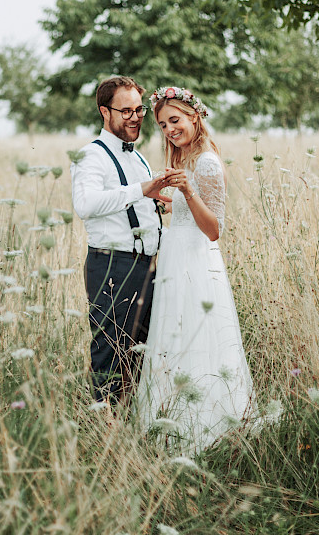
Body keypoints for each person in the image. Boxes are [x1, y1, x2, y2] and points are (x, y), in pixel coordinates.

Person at [136, 86, 257, 451]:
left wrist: (187, 193)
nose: (170, 129)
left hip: (197, 262)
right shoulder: (185, 158)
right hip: (176, 257)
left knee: (198, 337)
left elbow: (213, 229)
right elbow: (191, 216)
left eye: (175, 120)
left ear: (194, 117)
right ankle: (170, 419)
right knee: (175, 335)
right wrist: (170, 202)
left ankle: (206, 425)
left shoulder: (205, 161)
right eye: (162, 124)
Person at [71, 76, 176, 407]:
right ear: (105, 111)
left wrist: (158, 200)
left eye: (139, 109)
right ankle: (103, 432)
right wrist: (142, 190)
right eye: (126, 110)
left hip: (147, 266)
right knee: (110, 354)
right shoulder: (91, 156)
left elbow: (131, 201)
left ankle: (131, 431)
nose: (136, 117)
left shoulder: (138, 158)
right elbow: (86, 205)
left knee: (141, 353)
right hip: (112, 265)